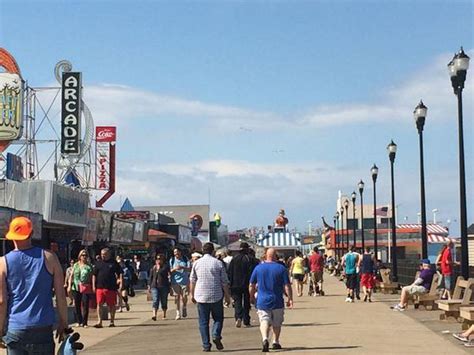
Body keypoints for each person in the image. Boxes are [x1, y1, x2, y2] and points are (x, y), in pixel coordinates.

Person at [0, 216, 67, 353]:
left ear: (11, 236)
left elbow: (2, 301)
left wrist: (0, 329)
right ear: (31, 234)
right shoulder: (49, 257)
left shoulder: (3, 263)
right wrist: (63, 323)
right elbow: (60, 295)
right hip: (42, 328)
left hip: (16, 328)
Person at [249, 247, 293, 352]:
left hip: (262, 299)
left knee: (264, 320)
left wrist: (251, 296)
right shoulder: (281, 268)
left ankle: (265, 338)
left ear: (266, 255)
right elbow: (287, 285)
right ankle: (275, 341)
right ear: (275, 256)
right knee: (277, 323)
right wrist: (290, 298)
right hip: (277, 300)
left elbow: (251, 285)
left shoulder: (258, 268)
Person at [190, 242, 231, 352]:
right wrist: (227, 296)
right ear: (213, 251)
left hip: (201, 296)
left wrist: (191, 294)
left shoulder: (196, 263)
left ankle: (206, 345)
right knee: (218, 318)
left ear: (203, 251)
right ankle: (216, 334)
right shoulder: (218, 263)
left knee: (203, 322)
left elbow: (192, 280)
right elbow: (224, 282)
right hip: (216, 295)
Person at [227, 242, 258, 328]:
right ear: (247, 249)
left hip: (235, 284)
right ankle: (246, 319)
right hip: (247, 284)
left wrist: (230, 283)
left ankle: (238, 317)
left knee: (237, 302)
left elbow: (229, 272)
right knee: (247, 302)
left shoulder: (234, 259)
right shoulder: (251, 259)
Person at [92, 248, 123, 327]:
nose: (103, 256)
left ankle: (112, 321)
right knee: (99, 304)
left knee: (112, 305)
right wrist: (93, 285)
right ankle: (100, 321)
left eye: (105, 254)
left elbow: (120, 273)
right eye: (102, 254)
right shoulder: (98, 263)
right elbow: (94, 275)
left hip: (111, 287)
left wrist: (120, 282)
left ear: (109, 254)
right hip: (100, 287)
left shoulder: (114, 263)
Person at [68, 249, 94, 327]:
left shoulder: (89, 266)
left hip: (85, 287)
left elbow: (92, 277)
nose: (84, 257)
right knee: (77, 304)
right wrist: (69, 285)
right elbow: (71, 276)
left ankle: (85, 322)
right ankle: (79, 321)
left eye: (86, 255)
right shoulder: (76, 265)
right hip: (76, 287)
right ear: (80, 256)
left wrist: (92, 286)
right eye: (83, 255)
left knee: (85, 304)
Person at [170, 248, 191, 320]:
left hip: (184, 281)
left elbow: (190, 269)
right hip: (175, 281)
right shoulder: (172, 260)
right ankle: (178, 312)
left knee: (184, 296)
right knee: (176, 297)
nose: (176, 253)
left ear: (180, 252)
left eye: (177, 252)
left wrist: (182, 267)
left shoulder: (185, 259)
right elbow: (169, 270)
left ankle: (184, 306)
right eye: (175, 252)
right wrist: (174, 269)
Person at [148, 254, 170, 321]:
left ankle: (164, 314)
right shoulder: (153, 268)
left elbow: (166, 275)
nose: (158, 260)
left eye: (160, 259)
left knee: (164, 300)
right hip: (154, 286)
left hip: (164, 286)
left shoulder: (165, 267)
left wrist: (158, 268)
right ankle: (154, 315)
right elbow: (151, 277)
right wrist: (149, 286)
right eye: (157, 259)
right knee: (155, 299)